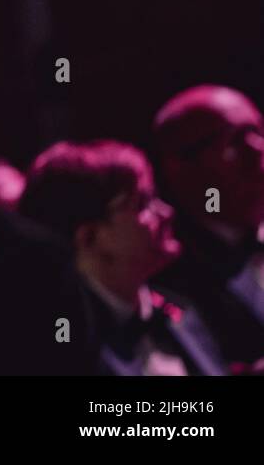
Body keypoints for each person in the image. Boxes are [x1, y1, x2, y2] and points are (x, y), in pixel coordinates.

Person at [19, 140, 226, 375]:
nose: (167, 212)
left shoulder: (179, 312)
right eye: (142, 203)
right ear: (90, 236)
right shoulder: (58, 344)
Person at [149, 84, 264, 372]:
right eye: (234, 140)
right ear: (179, 165)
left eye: (258, 132)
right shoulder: (161, 273)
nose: (258, 149)